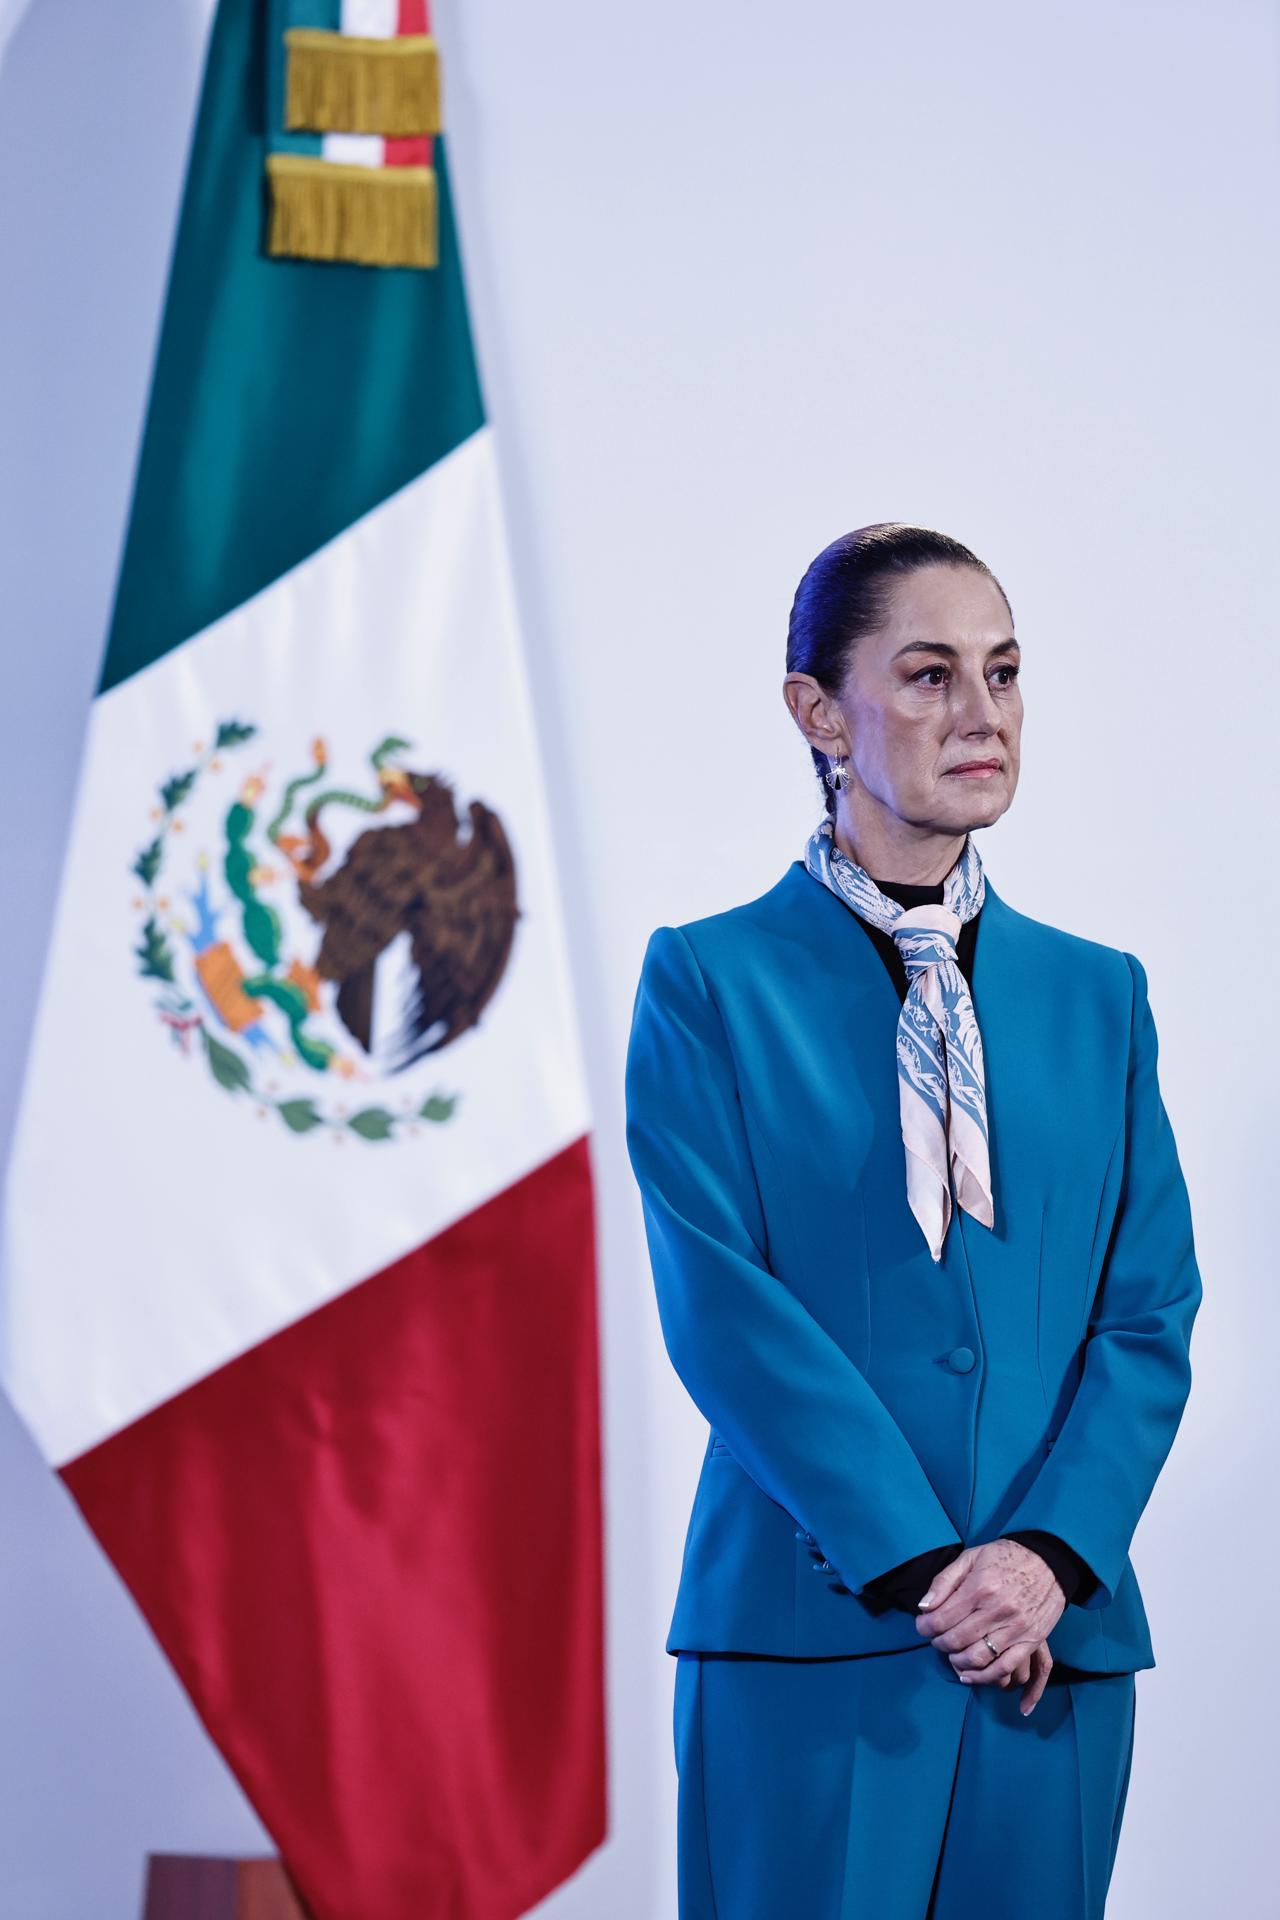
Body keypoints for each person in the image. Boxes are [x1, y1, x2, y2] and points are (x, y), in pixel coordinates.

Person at [623, 524, 1203, 1919]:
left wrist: (1047, 1560)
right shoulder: (709, 981)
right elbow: (725, 1310)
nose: (984, 714)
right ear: (819, 712)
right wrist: (922, 1563)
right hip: (815, 1634)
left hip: (1053, 1652)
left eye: (1003, 674)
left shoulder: (1098, 997)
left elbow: (1149, 1314)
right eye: (930, 676)